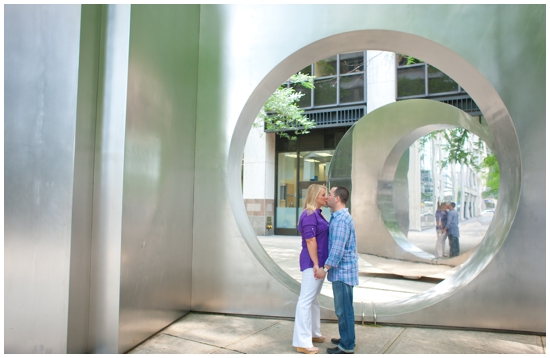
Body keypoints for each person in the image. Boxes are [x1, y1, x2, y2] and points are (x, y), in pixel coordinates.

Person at [316, 186, 358, 354]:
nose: (327, 197)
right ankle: (348, 338)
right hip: (344, 271)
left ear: (338, 199)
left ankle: (346, 346)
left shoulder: (341, 220)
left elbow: (337, 249)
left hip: (343, 272)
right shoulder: (339, 217)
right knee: (346, 308)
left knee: (343, 309)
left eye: (330, 194)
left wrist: (324, 269)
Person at [292, 184, 329, 354]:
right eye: (323, 194)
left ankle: (314, 333)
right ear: (315, 196)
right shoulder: (308, 214)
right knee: (305, 301)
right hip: (311, 263)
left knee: (313, 299)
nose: (326, 196)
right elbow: (310, 240)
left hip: (318, 262)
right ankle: (302, 342)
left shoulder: (318, 214)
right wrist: (315, 263)